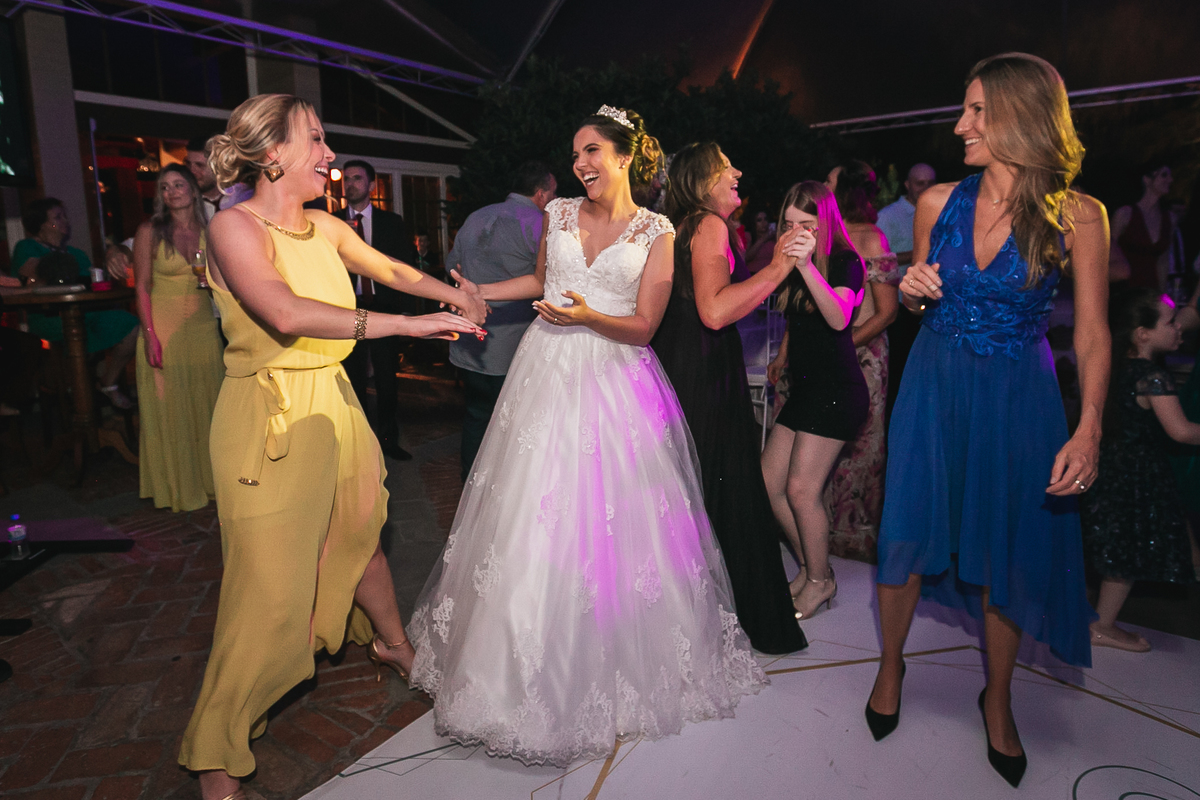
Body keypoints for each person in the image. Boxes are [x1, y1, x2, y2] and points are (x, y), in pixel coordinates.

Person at [407, 106, 765, 767]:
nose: (581, 163)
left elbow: (646, 326)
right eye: (575, 153)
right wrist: (477, 291)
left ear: (626, 156)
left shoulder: (658, 230)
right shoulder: (559, 214)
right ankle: (511, 680)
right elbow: (544, 281)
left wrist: (589, 315)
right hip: (545, 372)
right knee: (531, 517)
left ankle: (614, 669)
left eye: (593, 150)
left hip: (614, 377)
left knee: (615, 520)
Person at [176, 93, 485, 800]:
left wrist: (454, 297)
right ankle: (215, 753)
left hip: (334, 405)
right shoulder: (233, 226)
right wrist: (408, 329)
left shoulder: (323, 224)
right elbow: (283, 312)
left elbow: (393, 270)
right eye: (315, 139)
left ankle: (393, 645)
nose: (327, 154)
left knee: (359, 530)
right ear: (273, 153)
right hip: (269, 416)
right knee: (266, 594)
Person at [865, 54, 1110, 789]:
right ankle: (888, 666)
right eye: (963, 109)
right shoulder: (939, 202)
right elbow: (918, 299)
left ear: (1020, 117)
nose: (959, 124)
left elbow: (1093, 333)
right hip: (935, 385)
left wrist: (1090, 422)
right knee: (908, 524)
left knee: (1007, 546)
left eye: (976, 111)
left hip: (1019, 398)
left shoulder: (1079, 215)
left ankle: (997, 696)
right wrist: (910, 293)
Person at [650, 142, 808, 655]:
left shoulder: (673, 226)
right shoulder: (708, 224)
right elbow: (715, 311)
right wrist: (778, 269)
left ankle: (687, 624)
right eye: (725, 167)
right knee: (720, 489)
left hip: (674, 366)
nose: (737, 171)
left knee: (689, 493)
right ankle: (732, 623)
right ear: (702, 180)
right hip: (702, 370)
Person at [761, 181, 867, 620]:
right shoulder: (788, 257)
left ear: (824, 223)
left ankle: (821, 581)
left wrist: (805, 267)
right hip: (805, 388)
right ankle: (811, 566)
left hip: (838, 391)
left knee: (802, 490)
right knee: (769, 483)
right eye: (788, 224)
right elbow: (793, 318)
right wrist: (783, 356)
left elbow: (839, 317)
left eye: (806, 224)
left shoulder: (846, 262)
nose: (796, 232)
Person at [1081, 289, 1199, 652]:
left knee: (1119, 549)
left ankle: (1098, 621)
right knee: (1125, 555)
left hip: (1113, 469)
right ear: (1143, 333)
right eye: (1169, 321)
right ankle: (1101, 625)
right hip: (1138, 478)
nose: (1179, 327)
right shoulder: (1152, 377)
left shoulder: (1115, 367)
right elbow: (1180, 430)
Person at [448, 160, 556, 482]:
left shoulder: (475, 216)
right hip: (511, 347)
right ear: (540, 194)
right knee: (511, 424)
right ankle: (500, 492)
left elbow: (452, 264)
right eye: (552, 194)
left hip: (469, 344)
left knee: (475, 416)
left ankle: (470, 484)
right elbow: (550, 278)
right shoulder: (537, 223)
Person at [132, 164, 225, 512]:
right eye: (164, 187)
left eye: (178, 184)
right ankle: (176, 487)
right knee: (171, 411)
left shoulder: (212, 229)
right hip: (164, 327)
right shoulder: (150, 231)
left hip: (202, 328)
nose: (172, 192)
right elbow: (140, 286)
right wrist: (150, 336)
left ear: (193, 188)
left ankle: (210, 482)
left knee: (207, 406)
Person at [827, 161, 899, 562]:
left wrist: (845, 345)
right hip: (830, 353)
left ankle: (856, 538)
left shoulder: (872, 238)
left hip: (864, 355)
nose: (823, 186)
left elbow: (886, 313)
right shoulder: (826, 237)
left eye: (830, 181)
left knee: (862, 443)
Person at [10, 198, 139, 409]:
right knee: (76, 333)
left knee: (131, 325)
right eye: (58, 217)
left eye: (64, 216)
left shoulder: (76, 254)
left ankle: (107, 383)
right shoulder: (27, 247)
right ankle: (81, 402)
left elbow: (90, 284)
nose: (65, 221)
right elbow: (34, 275)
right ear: (42, 224)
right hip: (49, 317)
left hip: (85, 312)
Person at [336, 159, 418, 462]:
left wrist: (407, 313)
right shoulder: (330, 223)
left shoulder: (391, 222)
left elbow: (403, 268)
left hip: (383, 308)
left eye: (357, 179)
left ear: (371, 185)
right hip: (347, 308)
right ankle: (357, 444)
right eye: (346, 179)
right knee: (352, 380)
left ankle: (387, 440)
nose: (350, 184)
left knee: (386, 381)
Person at [1110, 164, 1173, 293]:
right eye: (1164, 175)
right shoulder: (1125, 214)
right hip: (1124, 291)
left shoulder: (1169, 218)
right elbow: (1107, 255)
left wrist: (1162, 294)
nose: (1170, 180)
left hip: (1151, 292)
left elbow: (1163, 261)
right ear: (1147, 179)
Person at [875, 163, 937, 269]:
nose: (926, 188)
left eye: (930, 183)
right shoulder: (887, 216)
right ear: (907, 185)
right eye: (920, 183)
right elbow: (879, 261)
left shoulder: (940, 213)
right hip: (899, 284)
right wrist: (922, 253)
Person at [186, 137, 226, 222]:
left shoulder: (242, 196)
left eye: (199, 165)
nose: (192, 171)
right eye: (188, 164)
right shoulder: (185, 204)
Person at [743, 207, 778, 274]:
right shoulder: (749, 236)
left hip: (772, 274)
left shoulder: (773, 236)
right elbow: (747, 257)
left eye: (765, 219)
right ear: (753, 222)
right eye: (759, 220)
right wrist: (762, 239)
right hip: (753, 274)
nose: (764, 223)